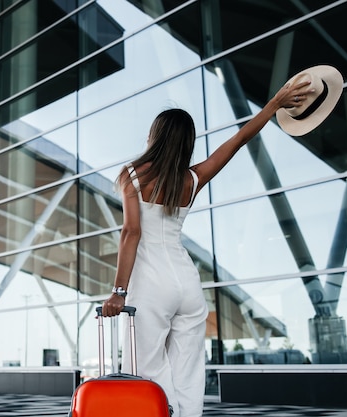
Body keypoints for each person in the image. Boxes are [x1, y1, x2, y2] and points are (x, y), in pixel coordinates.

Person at [101, 77, 315, 417]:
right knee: (189, 373)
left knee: (148, 368)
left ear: (154, 137)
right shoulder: (191, 179)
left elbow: (131, 232)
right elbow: (239, 139)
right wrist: (273, 104)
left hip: (151, 285)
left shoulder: (133, 174)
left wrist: (118, 292)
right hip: (187, 284)